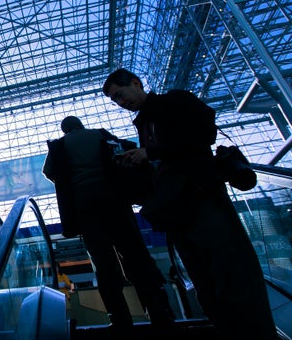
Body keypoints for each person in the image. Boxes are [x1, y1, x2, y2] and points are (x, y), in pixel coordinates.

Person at [103, 68, 277, 338]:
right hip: (179, 212)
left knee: (233, 278)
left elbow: (203, 132)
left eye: (120, 94)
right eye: (115, 100)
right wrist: (139, 162)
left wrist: (150, 152)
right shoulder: (145, 123)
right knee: (206, 286)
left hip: (203, 200)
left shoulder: (173, 101)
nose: (120, 102)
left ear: (136, 83)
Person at [42, 116, 174, 331]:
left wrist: (71, 177)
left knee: (103, 264)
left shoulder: (60, 145)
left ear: (64, 130)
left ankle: (120, 319)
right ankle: (159, 313)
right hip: (115, 201)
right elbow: (122, 153)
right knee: (134, 256)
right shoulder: (100, 134)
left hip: (85, 207)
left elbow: (49, 172)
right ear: (81, 125)